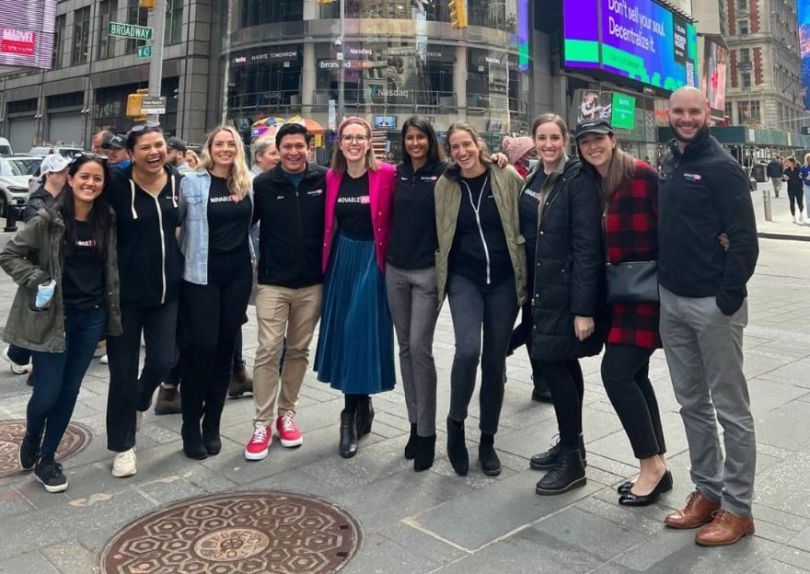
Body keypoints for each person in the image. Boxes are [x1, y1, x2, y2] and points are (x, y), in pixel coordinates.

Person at [658, 86, 759, 546]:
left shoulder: (723, 167)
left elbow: (744, 241)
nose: (685, 118)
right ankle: (708, 491)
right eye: (678, 111)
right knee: (692, 403)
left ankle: (738, 509)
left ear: (708, 115)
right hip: (672, 302)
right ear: (669, 113)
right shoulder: (671, 160)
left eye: (693, 111)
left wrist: (725, 299)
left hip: (712, 307)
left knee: (731, 410)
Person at [0, 154, 121, 492]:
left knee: (68, 392)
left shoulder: (106, 219)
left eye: (97, 179)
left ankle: (47, 458)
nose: (90, 183)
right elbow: (9, 254)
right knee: (46, 393)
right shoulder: (48, 219)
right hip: (55, 318)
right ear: (70, 178)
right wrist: (38, 279)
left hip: (92, 317)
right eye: (84, 176)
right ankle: (33, 432)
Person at [575, 119, 670, 507]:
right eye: (585, 142)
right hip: (615, 295)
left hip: (645, 294)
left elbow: (669, 229)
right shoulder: (589, 182)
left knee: (615, 373)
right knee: (635, 375)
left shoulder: (642, 175)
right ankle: (658, 463)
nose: (593, 147)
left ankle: (649, 463)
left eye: (599, 139)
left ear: (613, 140)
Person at [434, 122, 525, 477]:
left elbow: (528, 216)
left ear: (478, 144)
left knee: (494, 363)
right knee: (467, 350)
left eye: (466, 144)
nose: (461, 152)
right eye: (454, 147)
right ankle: (456, 424)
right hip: (464, 279)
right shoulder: (446, 184)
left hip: (503, 280)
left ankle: (487, 439)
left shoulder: (505, 176)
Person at [526, 114, 603, 496]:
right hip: (541, 291)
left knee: (556, 368)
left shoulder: (578, 179)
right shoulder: (534, 176)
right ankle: (572, 444)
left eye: (555, 137)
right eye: (542, 137)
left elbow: (588, 246)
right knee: (562, 366)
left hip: (564, 292)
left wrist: (583, 308)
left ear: (566, 139)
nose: (548, 144)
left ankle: (572, 459)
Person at [314, 116, 396, 459]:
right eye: (348, 137)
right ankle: (360, 407)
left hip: (372, 261)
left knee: (358, 330)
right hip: (341, 260)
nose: (354, 143)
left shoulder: (388, 175)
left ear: (369, 142)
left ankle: (349, 415)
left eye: (360, 137)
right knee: (348, 336)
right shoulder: (330, 177)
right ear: (340, 142)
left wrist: (494, 160)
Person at [244, 123, 326, 461]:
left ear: (309, 148)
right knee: (267, 349)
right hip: (273, 283)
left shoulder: (323, 179)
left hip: (312, 282)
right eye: (287, 147)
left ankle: (286, 414)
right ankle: (261, 422)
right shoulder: (262, 184)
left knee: (298, 350)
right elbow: (245, 224)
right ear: (277, 151)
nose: (293, 152)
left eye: (299, 146)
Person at [105, 124, 184, 478]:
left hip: (167, 291)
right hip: (124, 295)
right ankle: (123, 445)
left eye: (159, 145)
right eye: (146, 147)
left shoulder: (178, 181)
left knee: (164, 359)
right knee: (122, 371)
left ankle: (139, 399)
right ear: (132, 153)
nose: (154, 152)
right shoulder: (116, 186)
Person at [178, 125, 253, 459]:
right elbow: (175, 225)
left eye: (231, 144)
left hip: (237, 275)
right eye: (219, 144)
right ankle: (191, 425)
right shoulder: (191, 182)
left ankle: (213, 423)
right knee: (202, 348)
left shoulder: (245, 182)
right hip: (201, 274)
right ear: (209, 147)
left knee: (225, 349)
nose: (225, 149)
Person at [385, 116, 446, 471]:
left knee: (421, 348)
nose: (415, 143)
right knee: (405, 347)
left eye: (420, 137)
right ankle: (413, 425)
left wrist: (498, 160)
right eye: (409, 137)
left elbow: (478, 170)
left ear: (429, 140)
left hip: (428, 272)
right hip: (395, 269)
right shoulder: (396, 174)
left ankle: (428, 434)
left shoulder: (445, 173)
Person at [3, 154, 72, 380]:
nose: (66, 176)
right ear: (49, 175)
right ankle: (20, 356)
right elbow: (19, 249)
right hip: (41, 276)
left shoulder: (64, 200)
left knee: (42, 319)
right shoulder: (38, 205)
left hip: (52, 275)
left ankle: (21, 356)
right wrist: (37, 276)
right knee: (39, 320)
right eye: (61, 172)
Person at [782, 157, 804, 223]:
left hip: (799, 189)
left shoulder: (799, 169)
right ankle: (793, 216)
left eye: (788, 162)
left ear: (792, 162)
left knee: (800, 203)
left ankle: (801, 213)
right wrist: (784, 179)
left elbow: (803, 176)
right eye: (787, 162)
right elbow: (782, 178)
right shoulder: (786, 170)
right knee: (792, 203)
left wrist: (801, 177)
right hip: (790, 189)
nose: (787, 163)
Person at [799, 154, 810, 224]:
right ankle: (809, 216)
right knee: (808, 200)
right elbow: (800, 175)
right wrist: (805, 178)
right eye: (808, 159)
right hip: (806, 185)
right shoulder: (803, 167)